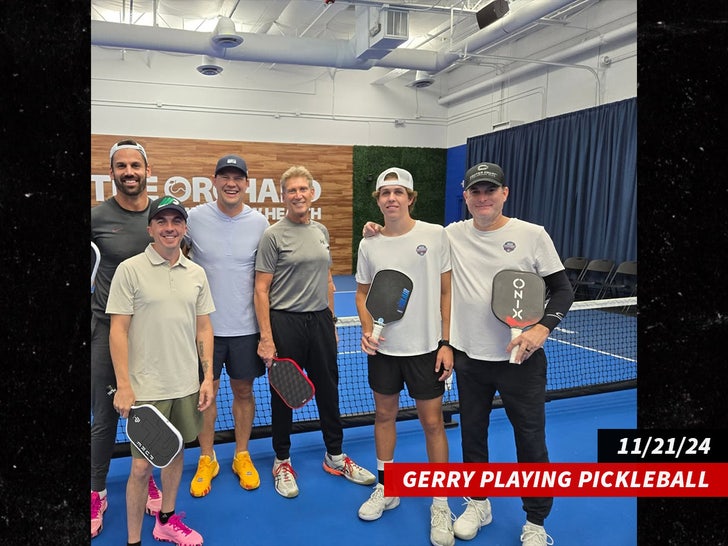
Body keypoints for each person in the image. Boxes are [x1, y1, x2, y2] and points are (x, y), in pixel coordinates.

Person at [446, 162, 574, 546]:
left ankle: (535, 522)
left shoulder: (532, 235)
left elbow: (563, 290)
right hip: (469, 358)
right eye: (475, 192)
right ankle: (478, 501)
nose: (483, 198)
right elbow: (407, 237)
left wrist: (541, 327)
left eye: (490, 190)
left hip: (522, 361)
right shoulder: (451, 234)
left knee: (531, 441)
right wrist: (376, 231)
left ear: (505, 193)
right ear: (466, 197)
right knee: (473, 436)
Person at [254, 165, 376, 499]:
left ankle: (335, 456)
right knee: (284, 396)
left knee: (328, 389)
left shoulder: (321, 230)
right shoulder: (272, 235)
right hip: (285, 323)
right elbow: (261, 289)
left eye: (302, 189)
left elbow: (328, 280)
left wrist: (332, 322)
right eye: (291, 190)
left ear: (311, 193)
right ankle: (281, 460)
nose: (297, 195)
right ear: (283, 196)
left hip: (320, 322)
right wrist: (267, 337)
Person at [354, 168, 456, 546]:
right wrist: (367, 329)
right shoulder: (370, 244)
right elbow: (362, 294)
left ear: (411, 198)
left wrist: (447, 342)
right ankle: (388, 487)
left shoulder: (435, 235)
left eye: (399, 192)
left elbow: (447, 292)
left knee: (433, 424)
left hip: (427, 348)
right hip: (384, 351)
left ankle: (441, 501)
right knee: (384, 416)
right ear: (378, 200)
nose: (391, 198)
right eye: (385, 193)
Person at [107, 196, 216, 546]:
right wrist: (124, 385)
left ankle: (166, 520)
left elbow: (204, 328)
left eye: (176, 221)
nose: (170, 228)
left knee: (177, 453)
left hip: (185, 385)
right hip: (146, 390)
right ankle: (134, 539)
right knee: (140, 468)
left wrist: (206, 377)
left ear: (184, 228)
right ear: (150, 227)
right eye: (162, 221)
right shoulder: (130, 269)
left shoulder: (196, 273)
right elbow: (118, 330)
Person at [184, 154, 270, 496]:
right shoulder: (193, 218)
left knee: (244, 392)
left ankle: (241, 454)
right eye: (225, 176)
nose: (231, 183)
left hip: (246, 329)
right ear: (214, 180)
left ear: (247, 183)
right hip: (205, 329)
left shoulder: (261, 222)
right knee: (207, 395)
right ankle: (208, 458)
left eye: (238, 177)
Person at [90, 139, 163, 538]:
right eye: (122, 166)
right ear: (112, 171)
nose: (129, 172)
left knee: (149, 412)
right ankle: (96, 491)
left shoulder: (163, 215)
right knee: (103, 419)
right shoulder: (97, 217)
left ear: (147, 170)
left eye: (136, 165)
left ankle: (145, 475)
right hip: (105, 329)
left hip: (152, 334)